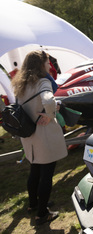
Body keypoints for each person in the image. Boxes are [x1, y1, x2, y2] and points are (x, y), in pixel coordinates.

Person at [11, 50, 68, 225]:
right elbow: (49, 101)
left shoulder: (21, 84)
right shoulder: (43, 82)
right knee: (46, 174)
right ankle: (42, 213)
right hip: (43, 135)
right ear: (40, 64)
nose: (49, 65)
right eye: (46, 62)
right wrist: (50, 114)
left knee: (34, 170)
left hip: (28, 135)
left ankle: (33, 204)